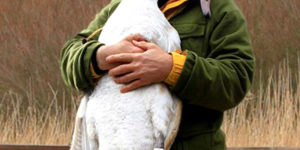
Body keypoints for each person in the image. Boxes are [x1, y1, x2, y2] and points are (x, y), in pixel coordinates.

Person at [60, 0, 255, 149]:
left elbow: (237, 79)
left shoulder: (219, 11)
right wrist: (101, 56)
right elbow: (70, 56)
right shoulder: (123, 7)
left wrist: (171, 68)